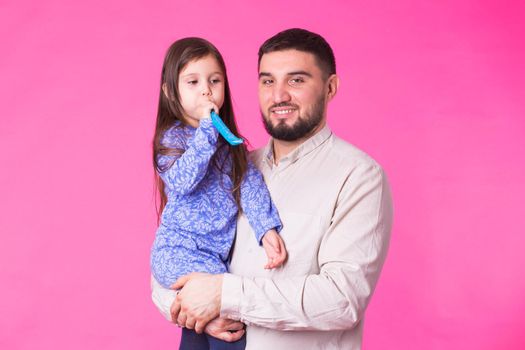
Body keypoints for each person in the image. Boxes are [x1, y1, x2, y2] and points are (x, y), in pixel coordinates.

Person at [151, 28, 393, 350]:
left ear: (330, 87)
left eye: (296, 80)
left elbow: (341, 301)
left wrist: (223, 294)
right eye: (268, 81)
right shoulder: (230, 166)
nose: (279, 95)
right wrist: (194, 309)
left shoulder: (359, 177)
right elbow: (168, 264)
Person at [150, 37, 287, 350]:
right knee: (230, 320)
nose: (206, 91)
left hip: (213, 258)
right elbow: (182, 181)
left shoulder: (230, 146)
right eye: (193, 82)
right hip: (178, 252)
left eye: (214, 81)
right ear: (171, 91)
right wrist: (206, 133)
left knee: (203, 329)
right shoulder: (171, 140)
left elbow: (250, 184)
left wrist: (266, 228)